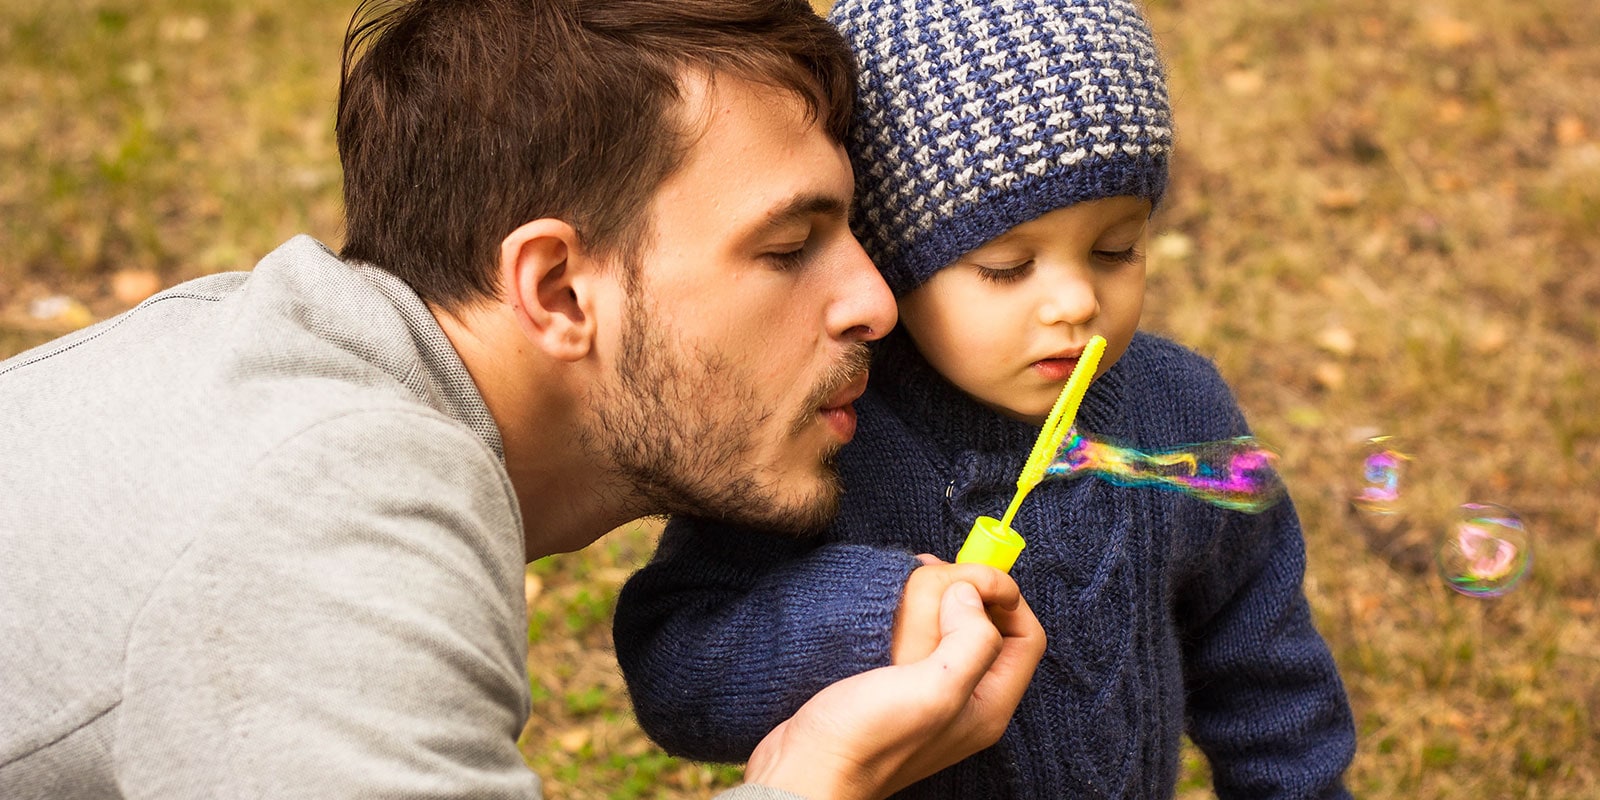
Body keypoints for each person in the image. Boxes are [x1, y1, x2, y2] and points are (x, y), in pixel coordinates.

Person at [0, 1, 1047, 798]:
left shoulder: (268, 375)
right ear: (554, 289)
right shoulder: (325, 512)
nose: (872, 299)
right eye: (787, 246)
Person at [614, 0, 1359, 796]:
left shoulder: (1181, 412)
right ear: (890, 262)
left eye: (1117, 248)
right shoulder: (825, 442)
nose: (1076, 302)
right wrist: (868, 617)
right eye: (1006, 266)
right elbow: (676, 662)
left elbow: (1264, 662)